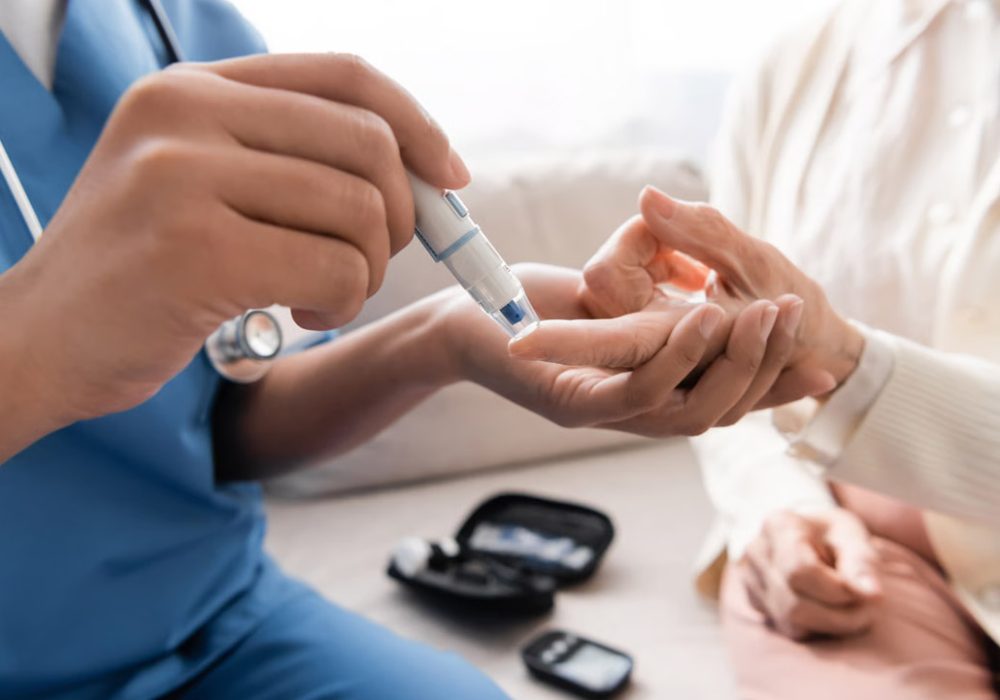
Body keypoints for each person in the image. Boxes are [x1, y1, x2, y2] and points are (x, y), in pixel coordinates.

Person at [0, 2, 811, 698]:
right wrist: (38, 336)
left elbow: (223, 426)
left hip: (208, 622)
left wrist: (447, 338)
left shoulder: (173, 24)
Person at [515, 0, 1000, 696]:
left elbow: (804, 350)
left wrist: (843, 359)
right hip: (851, 556)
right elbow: (737, 372)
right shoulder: (796, 65)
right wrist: (777, 506)